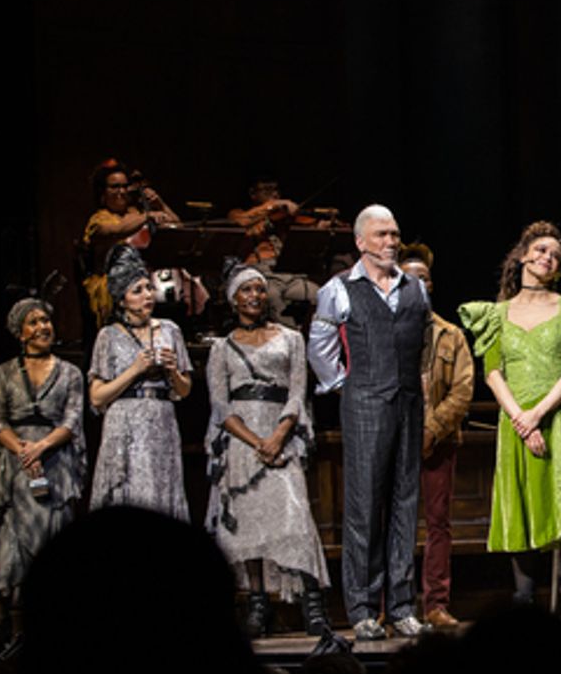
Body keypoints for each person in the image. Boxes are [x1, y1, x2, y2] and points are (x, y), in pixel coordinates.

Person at [458, 222, 561, 642]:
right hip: (516, 423)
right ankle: (523, 617)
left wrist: (539, 413)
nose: (548, 257)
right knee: (523, 512)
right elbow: (491, 372)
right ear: (524, 254)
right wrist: (521, 420)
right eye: (541, 250)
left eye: (555, 256)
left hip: (560, 419)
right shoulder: (496, 315)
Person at [308, 204, 430, 641]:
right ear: (360, 241)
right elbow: (320, 344)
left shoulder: (415, 288)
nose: (391, 242)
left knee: (405, 503)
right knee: (364, 506)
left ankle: (401, 605)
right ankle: (361, 607)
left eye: (395, 234)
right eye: (381, 235)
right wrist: (346, 384)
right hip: (363, 402)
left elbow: (425, 344)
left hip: (408, 404)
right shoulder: (338, 289)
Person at [204, 261, 331, 638]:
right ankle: (258, 606)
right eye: (246, 290)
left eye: (260, 289)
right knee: (250, 527)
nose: (255, 295)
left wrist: (278, 435)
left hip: (282, 436)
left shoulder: (291, 338)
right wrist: (256, 441)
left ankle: (314, 604)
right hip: (244, 443)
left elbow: (297, 392)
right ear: (233, 299)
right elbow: (220, 407)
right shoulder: (221, 348)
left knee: (296, 520)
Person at [0, 298, 87, 644]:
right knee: (15, 538)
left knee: (54, 533)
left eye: (46, 320)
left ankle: (54, 620)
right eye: (34, 322)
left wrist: (41, 447)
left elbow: (72, 420)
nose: (43, 327)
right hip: (17, 464)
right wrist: (23, 450)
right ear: (19, 332)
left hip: (54, 462)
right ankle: (12, 623)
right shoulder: (4, 372)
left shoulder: (70, 373)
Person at [398, 242, 474, 628]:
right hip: (394, 441)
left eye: (424, 278)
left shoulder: (451, 335)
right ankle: (391, 604)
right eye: (410, 278)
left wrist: (431, 429)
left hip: (438, 441)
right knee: (392, 523)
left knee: (438, 522)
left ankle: (436, 605)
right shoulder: (386, 331)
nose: (418, 284)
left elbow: (462, 390)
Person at [87, 244, 193, 518]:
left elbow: (184, 390)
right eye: (138, 291)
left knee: (161, 494)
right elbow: (97, 397)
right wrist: (134, 370)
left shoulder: (170, 330)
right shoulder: (108, 336)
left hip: (161, 420)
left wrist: (172, 371)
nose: (148, 295)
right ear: (121, 300)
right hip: (124, 424)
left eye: (148, 288)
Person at [81, 159, 202, 329]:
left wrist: (158, 203)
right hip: (115, 285)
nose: (121, 191)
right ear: (103, 192)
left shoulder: (136, 213)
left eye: (125, 186)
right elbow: (115, 230)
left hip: (149, 280)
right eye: (114, 187)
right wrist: (146, 216)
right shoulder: (98, 219)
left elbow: (178, 229)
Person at [226, 176, 322, 327]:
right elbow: (241, 221)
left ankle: (309, 336)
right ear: (253, 194)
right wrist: (273, 205)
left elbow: (310, 225)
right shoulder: (238, 213)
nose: (275, 194)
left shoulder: (284, 217)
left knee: (318, 295)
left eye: (276, 190)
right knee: (271, 298)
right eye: (267, 190)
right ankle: (292, 339)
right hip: (260, 274)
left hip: (287, 272)